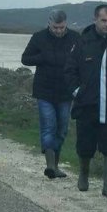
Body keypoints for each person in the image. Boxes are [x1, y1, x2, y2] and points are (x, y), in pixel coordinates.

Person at [64, 3, 107, 198]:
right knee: (85, 145)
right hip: (87, 105)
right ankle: (83, 175)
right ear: (95, 20)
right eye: (103, 20)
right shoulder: (83, 42)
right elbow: (69, 71)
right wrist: (78, 92)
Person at [21, 9, 81, 179]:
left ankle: (55, 165)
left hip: (66, 92)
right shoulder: (38, 37)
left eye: (62, 27)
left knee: (61, 130)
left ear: (66, 24)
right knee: (49, 127)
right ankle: (50, 166)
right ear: (49, 23)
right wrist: (43, 57)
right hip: (44, 91)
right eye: (55, 27)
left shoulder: (75, 38)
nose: (59, 31)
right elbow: (25, 59)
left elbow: (82, 62)